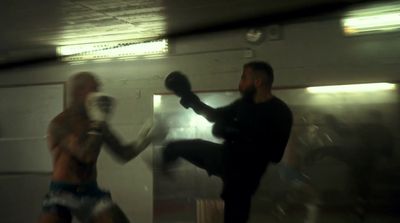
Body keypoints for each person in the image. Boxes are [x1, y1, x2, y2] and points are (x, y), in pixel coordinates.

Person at [160, 61, 293, 223]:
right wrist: (188, 96)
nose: (240, 83)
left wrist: (237, 134)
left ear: (258, 82)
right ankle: (164, 164)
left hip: (246, 173)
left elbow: (276, 155)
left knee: (235, 214)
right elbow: (214, 116)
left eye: (244, 78)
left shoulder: (280, 112)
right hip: (225, 158)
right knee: (174, 147)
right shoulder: (244, 105)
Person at [38, 72, 165, 223]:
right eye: (95, 89)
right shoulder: (60, 124)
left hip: (90, 190)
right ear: (79, 92)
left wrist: (146, 138)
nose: (99, 94)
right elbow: (86, 155)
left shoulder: (96, 123)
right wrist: (97, 124)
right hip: (62, 192)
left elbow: (123, 154)